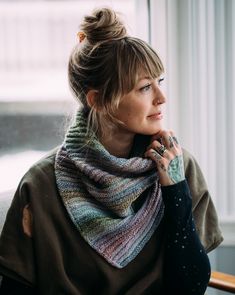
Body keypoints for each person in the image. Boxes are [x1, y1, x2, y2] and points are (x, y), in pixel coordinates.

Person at [0, 7, 223, 295]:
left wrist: (175, 191)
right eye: (145, 87)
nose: (161, 97)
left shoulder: (177, 165)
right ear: (99, 100)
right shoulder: (41, 182)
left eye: (160, 82)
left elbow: (191, 287)